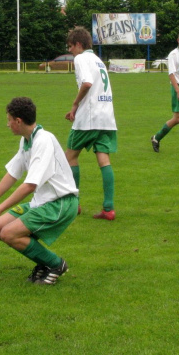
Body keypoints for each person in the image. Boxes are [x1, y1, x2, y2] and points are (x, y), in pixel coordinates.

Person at [0, 97, 79, 285]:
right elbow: (12, 174)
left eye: (9, 120)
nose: (7, 124)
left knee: (9, 233)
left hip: (60, 203)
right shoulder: (27, 141)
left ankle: (56, 264)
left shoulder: (44, 140)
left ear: (18, 121)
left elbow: (30, 185)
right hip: (41, 202)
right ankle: (43, 262)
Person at [65, 26, 117, 220]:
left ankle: (74, 204)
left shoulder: (81, 58)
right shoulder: (98, 60)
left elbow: (87, 83)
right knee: (104, 159)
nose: (69, 50)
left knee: (69, 157)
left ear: (79, 44)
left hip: (89, 117)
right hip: (106, 117)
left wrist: (75, 104)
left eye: (70, 46)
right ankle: (108, 209)